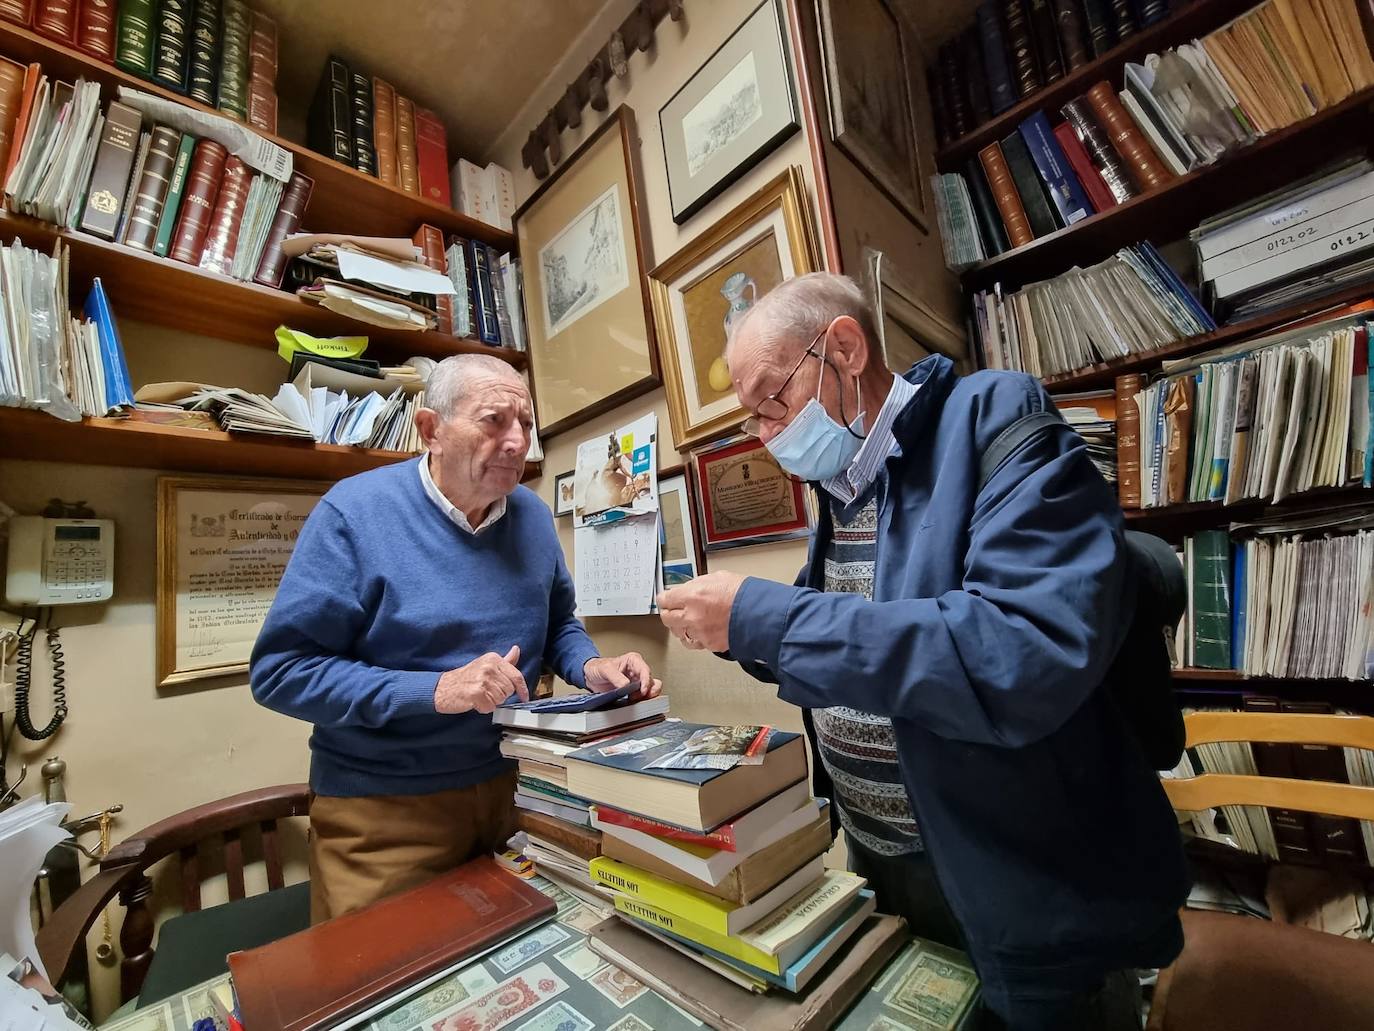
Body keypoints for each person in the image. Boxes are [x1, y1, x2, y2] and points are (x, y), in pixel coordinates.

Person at [656, 273, 1187, 1029]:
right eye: (752, 418)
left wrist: (763, 619)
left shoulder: (996, 415)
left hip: (1019, 882)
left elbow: (1016, 649)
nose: (766, 434)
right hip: (887, 865)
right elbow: (869, 645)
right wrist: (737, 635)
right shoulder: (844, 486)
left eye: (772, 400)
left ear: (843, 348)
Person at [252, 353, 660, 924]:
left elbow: (559, 623)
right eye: (494, 420)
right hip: (384, 811)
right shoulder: (353, 513)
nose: (518, 441)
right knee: (387, 985)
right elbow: (282, 673)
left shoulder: (533, 517)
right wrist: (437, 690)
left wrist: (591, 666)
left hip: (517, 786)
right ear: (431, 430)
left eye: (526, 423)